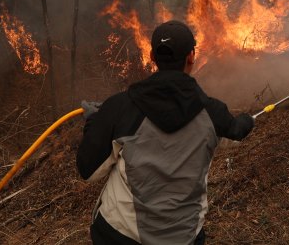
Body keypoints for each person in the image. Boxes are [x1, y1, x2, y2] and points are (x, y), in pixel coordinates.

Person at [77, 20, 255, 244]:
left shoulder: (120, 108)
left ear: (152, 56)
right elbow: (236, 133)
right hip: (184, 238)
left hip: (122, 235)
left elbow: (88, 171)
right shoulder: (213, 114)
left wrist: (95, 121)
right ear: (191, 57)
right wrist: (247, 121)